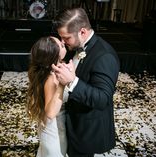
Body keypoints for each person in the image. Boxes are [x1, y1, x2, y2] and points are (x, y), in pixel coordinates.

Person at [52, 7, 120, 157]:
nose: (63, 42)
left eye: (67, 38)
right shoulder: (76, 45)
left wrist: (72, 82)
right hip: (72, 123)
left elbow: (102, 99)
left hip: (87, 129)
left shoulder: (104, 56)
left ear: (82, 32)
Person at [26, 36, 68, 157]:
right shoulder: (51, 78)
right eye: (61, 45)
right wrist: (61, 85)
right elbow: (50, 113)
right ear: (55, 55)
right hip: (54, 130)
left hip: (51, 127)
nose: (63, 42)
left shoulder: (46, 71)